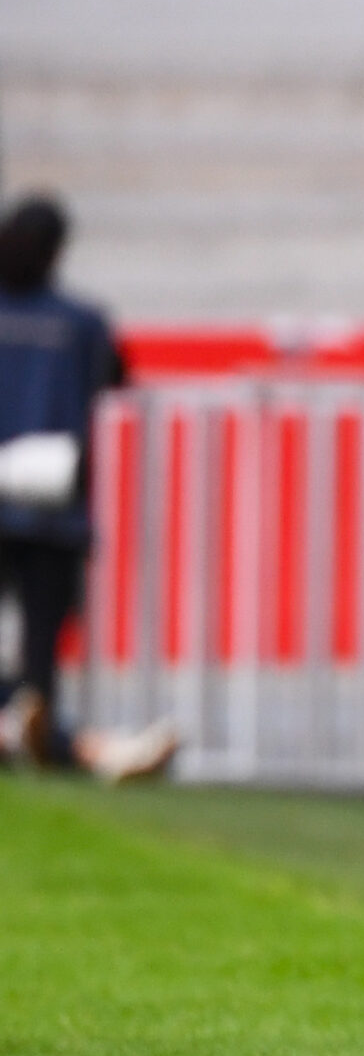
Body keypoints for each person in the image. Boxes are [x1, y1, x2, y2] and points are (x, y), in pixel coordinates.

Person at [0, 199, 177, 783]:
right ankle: (63, 741)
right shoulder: (79, 323)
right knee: (41, 655)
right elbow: (116, 376)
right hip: (53, 504)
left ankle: (41, 735)